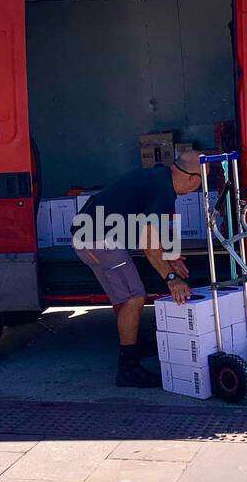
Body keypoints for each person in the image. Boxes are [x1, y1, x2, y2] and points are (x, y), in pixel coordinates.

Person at [71, 149, 202, 387]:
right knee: (134, 297)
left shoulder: (159, 177)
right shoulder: (164, 190)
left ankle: (134, 343)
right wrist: (171, 277)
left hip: (87, 233)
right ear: (193, 179)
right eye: (200, 184)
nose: (197, 189)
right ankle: (128, 367)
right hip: (98, 239)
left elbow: (146, 225)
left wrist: (170, 256)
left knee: (123, 297)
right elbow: (149, 243)